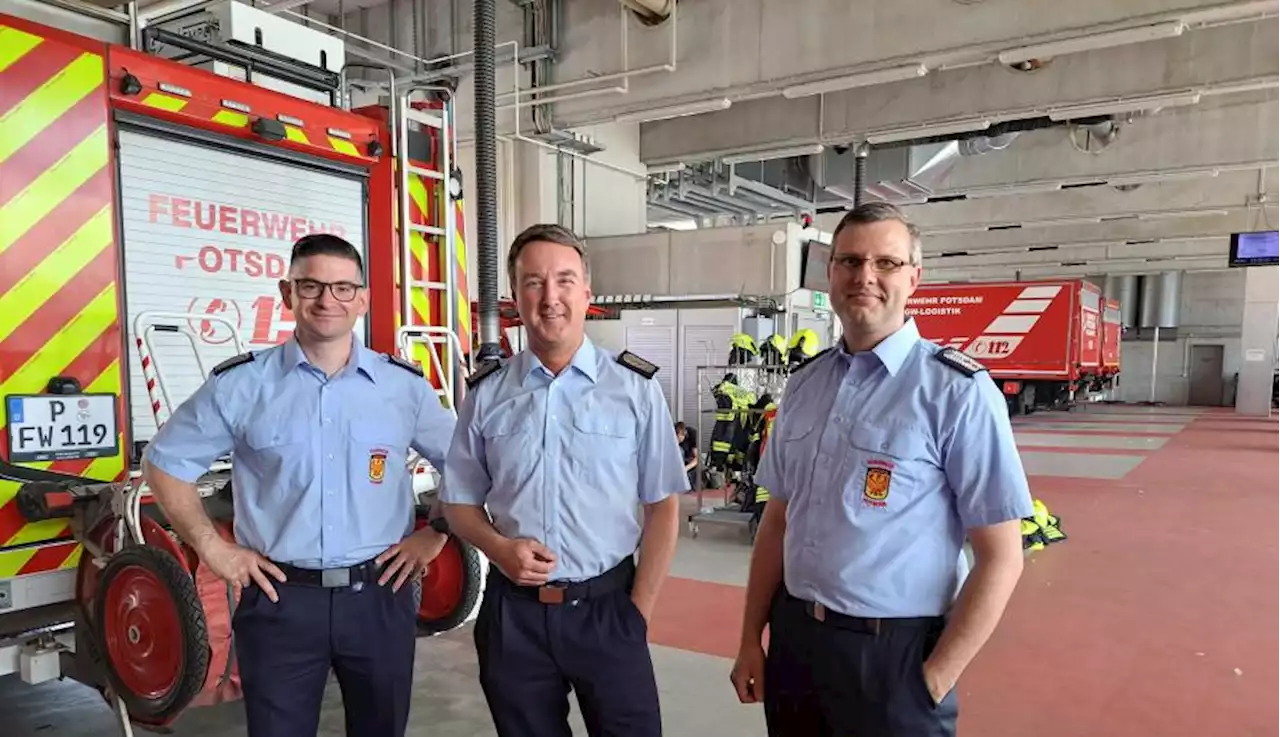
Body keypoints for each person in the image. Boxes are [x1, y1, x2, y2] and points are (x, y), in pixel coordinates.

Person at [729, 202, 1033, 737]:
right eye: (849, 261)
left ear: (914, 278)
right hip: (796, 645)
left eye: (886, 264)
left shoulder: (957, 393)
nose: (864, 276)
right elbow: (777, 521)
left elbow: (1002, 557)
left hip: (894, 657)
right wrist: (752, 638)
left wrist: (934, 679)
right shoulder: (804, 386)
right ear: (830, 274)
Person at [141, 233, 457, 737]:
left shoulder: (404, 388)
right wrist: (213, 550)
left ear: (362, 298)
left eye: (342, 288)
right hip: (280, 600)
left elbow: (464, 464)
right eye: (311, 286)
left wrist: (436, 531)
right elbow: (165, 464)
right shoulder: (243, 385)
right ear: (287, 293)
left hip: (379, 595)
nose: (327, 300)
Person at [441, 223, 689, 737]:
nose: (549, 297)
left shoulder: (635, 390)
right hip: (514, 619)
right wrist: (499, 549)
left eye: (564, 280)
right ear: (515, 297)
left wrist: (637, 612)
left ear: (587, 294)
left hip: (607, 611)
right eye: (533, 282)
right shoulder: (487, 394)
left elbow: (662, 506)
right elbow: (459, 504)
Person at [675, 421, 699, 489]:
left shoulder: (692, 435)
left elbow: (697, 459)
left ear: (683, 434)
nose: (676, 441)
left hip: (690, 463)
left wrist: (685, 468)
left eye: (678, 438)